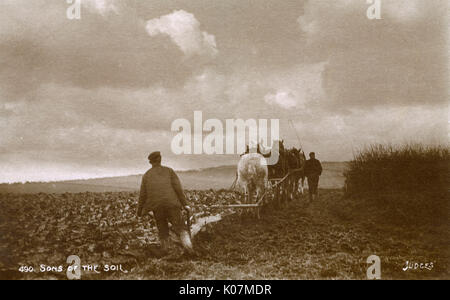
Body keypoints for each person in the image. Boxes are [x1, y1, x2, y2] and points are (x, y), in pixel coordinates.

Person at [137, 151, 194, 254]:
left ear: (150, 162)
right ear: (160, 159)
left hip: (157, 207)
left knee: (163, 230)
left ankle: (167, 251)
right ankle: (189, 249)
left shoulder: (146, 175)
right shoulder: (169, 171)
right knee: (181, 227)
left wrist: (139, 212)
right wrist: (185, 204)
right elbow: (178, 189)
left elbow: (142, 195)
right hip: (172, 204)